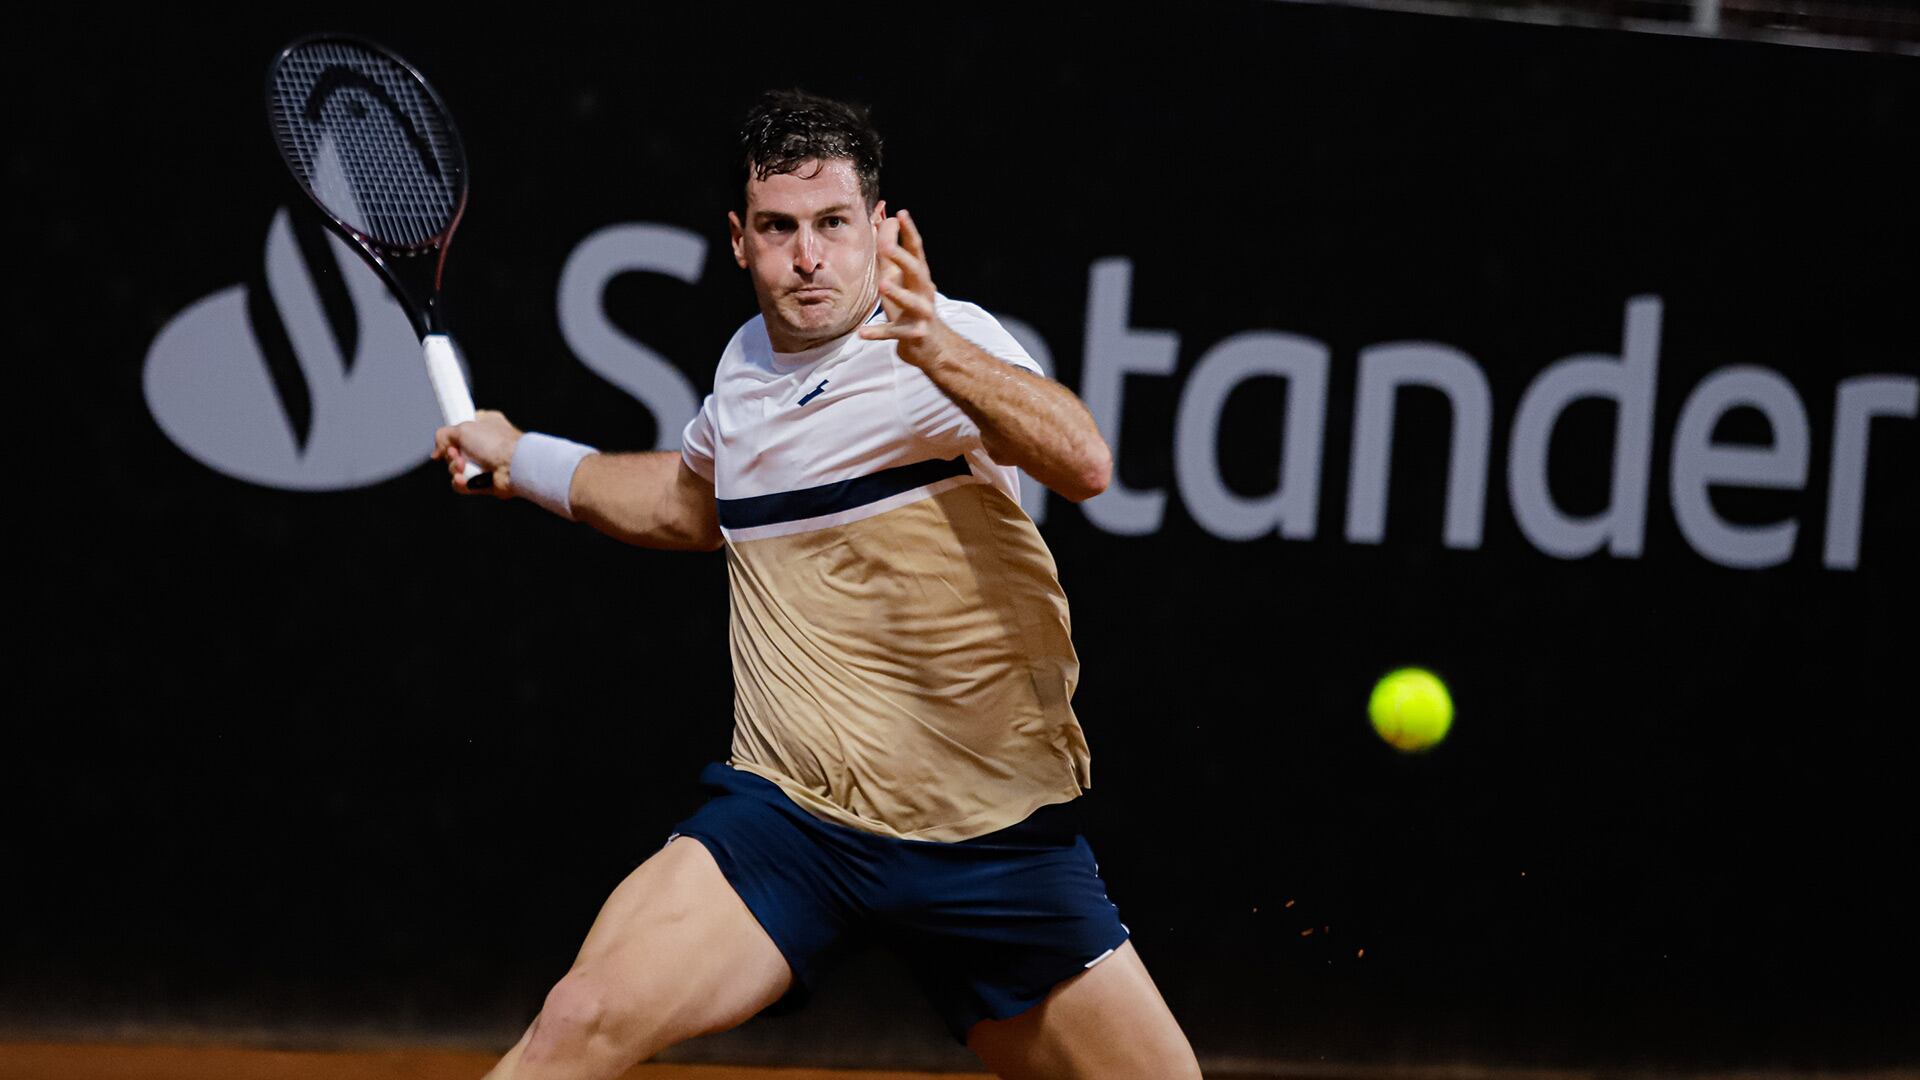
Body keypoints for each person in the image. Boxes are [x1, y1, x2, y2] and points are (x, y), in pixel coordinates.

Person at [434, 89, 1201, 1080]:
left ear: (880, 229)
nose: (808, 257)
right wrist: (522, 456)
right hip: (794, 821)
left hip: (991, 839)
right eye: (779, 228)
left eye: (834, 225)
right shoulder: (744, 369)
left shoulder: (943, 339)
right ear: (739, 240)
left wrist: (938, 350)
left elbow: (1084, 460)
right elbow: (686, 504)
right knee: (579, 1017)